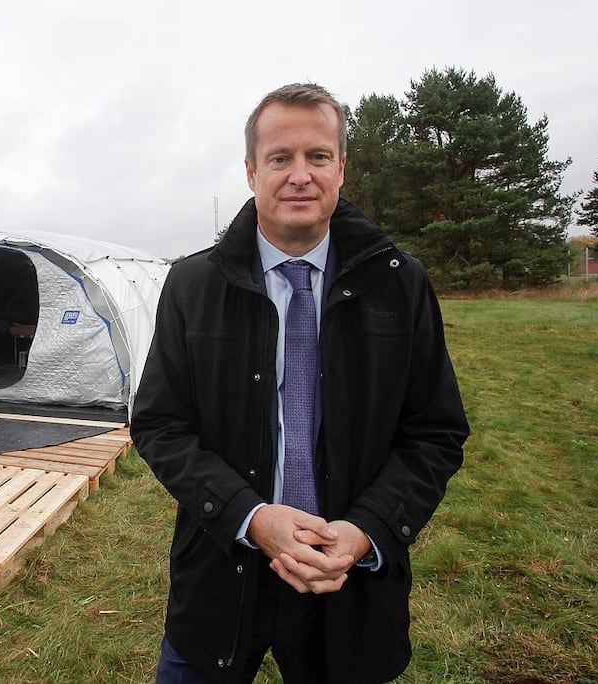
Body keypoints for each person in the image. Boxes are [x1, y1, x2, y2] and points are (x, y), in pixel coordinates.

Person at [131, 83, 469, 683]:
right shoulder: (192, 286)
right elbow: (160, 424)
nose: (299, 176)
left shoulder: (401, 284)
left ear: (341, 168)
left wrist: (367, 531)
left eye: (317, 157)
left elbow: (435, 433)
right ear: (250, 171)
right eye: (279, 158)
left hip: (351, 581)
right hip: (222, 564)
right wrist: (252, 517)